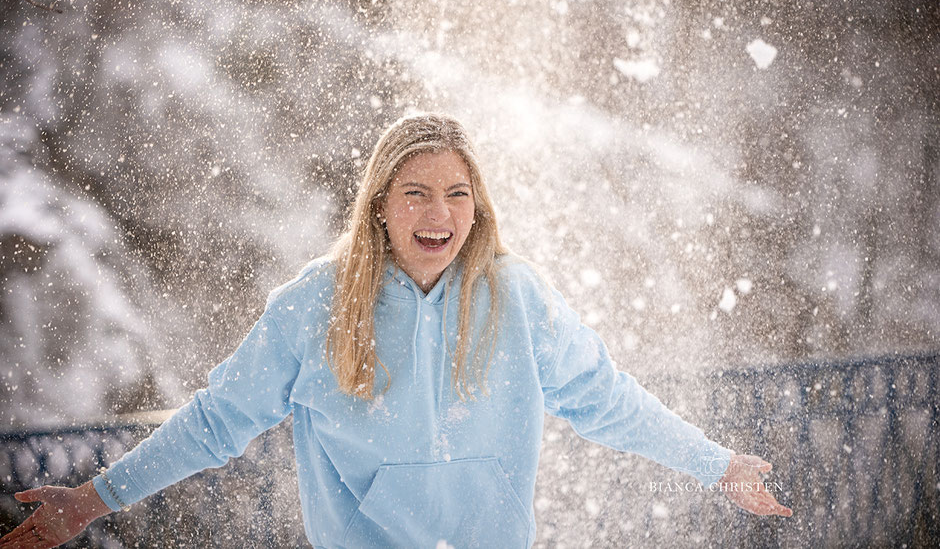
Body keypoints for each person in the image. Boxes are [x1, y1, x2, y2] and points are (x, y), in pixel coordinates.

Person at [0, 114, 791, 549]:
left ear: (478, 204)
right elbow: (218, 422)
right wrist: (95, 500)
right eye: (415, 192)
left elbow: (607, 401)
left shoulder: (517, 299)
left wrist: (715, 465)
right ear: (379, 203)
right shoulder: (315, 304)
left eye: (456, 192)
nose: (438, 214)